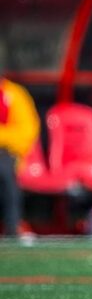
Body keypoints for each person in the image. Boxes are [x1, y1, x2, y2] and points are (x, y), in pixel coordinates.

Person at [0, 53, 41, 237]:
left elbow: (27, 130)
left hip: (6, 152)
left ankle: (12, 226)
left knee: (4, 171)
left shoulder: (14, 94)